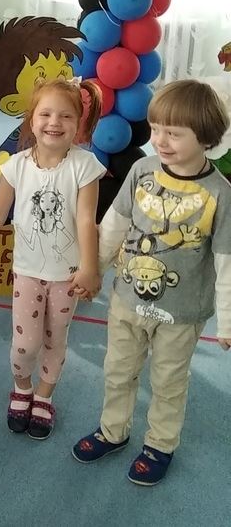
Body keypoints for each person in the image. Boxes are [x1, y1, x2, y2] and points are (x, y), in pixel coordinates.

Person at [72, 80, 231, 486]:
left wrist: (227, 322)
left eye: (173, 133)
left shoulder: (220, 194)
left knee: (168, 382)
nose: (160, 140)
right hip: (127, 299)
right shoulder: (142, 170)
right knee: (117, 370)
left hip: (181, 314)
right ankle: (113, 430)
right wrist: (93, 270)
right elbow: (114, 224)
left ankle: (160, 445)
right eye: (156, 129)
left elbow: (226, 260)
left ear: (206, 136)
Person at [0, 78, 105, 437]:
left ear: (78, 123)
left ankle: (44, 395)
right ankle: (22, 388)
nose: (54, 123)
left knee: (55, 339)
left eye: (65, 116)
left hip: (67, 275)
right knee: (25, 343)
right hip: (27, 272)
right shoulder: (16, 166)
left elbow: (86, 219)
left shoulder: (85, 166)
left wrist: (90, 267)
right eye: (45, 114)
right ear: (31, 119)